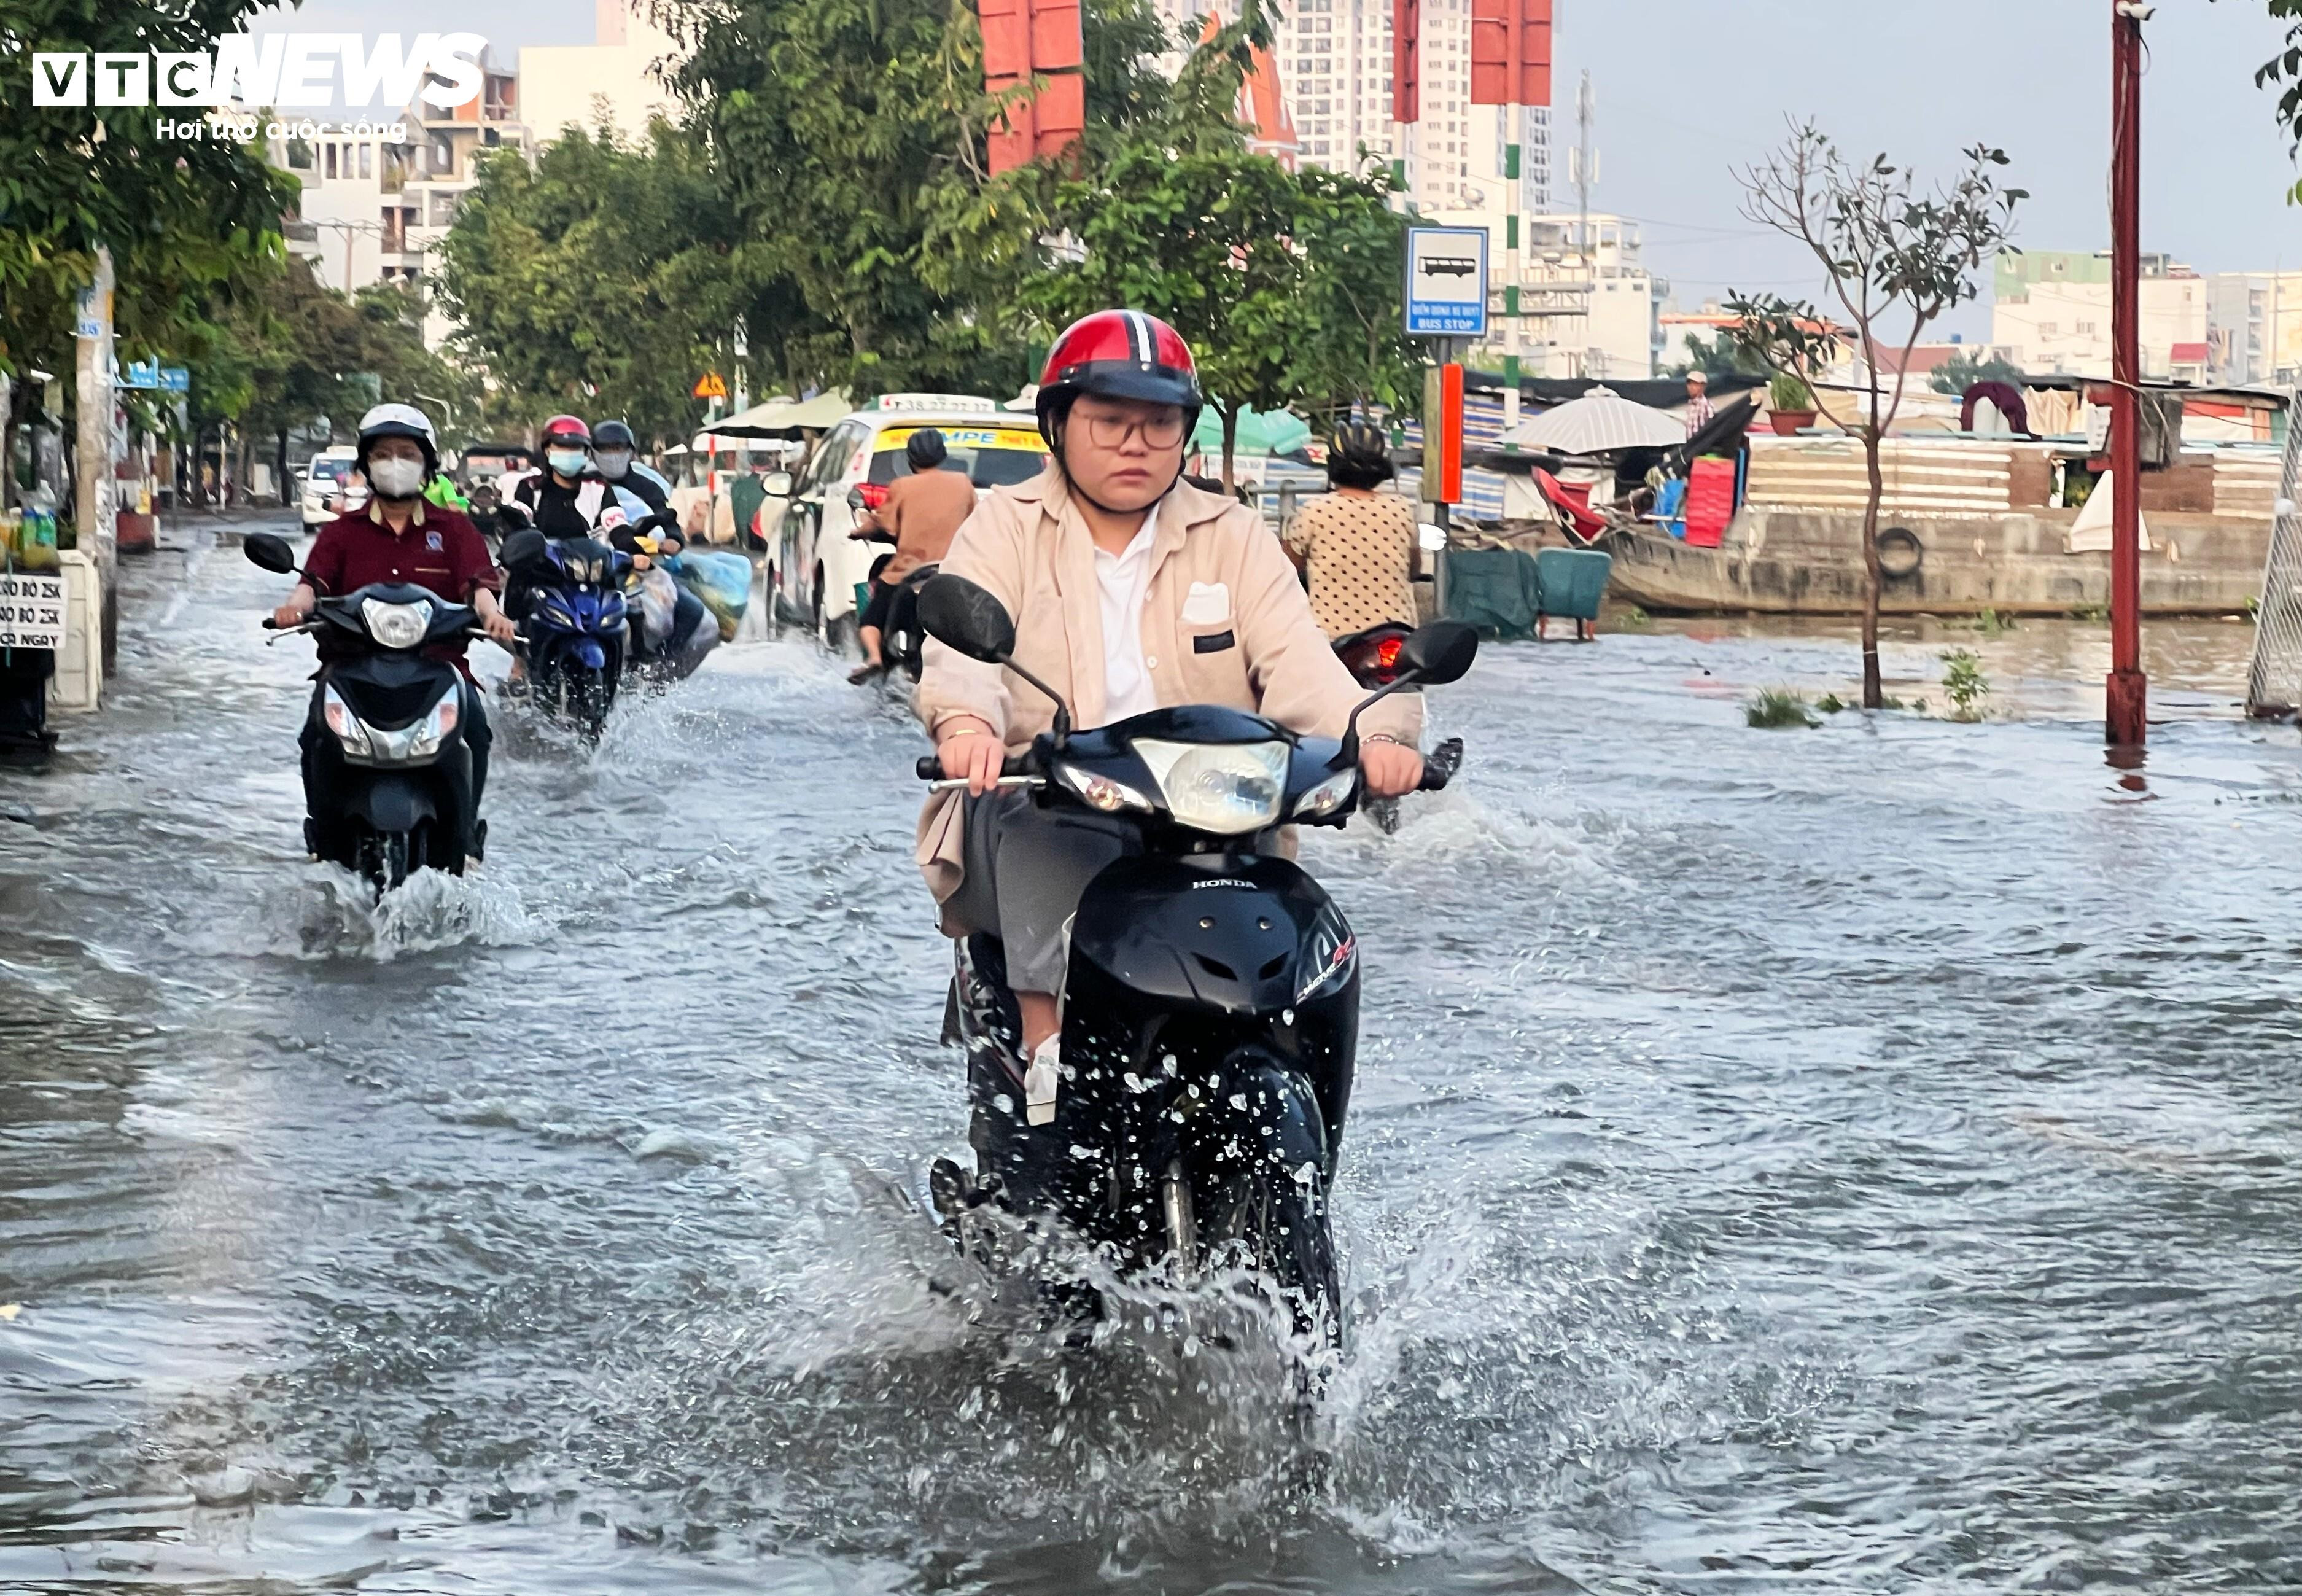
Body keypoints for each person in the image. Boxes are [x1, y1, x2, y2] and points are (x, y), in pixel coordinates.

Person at [916, 309, 1424, 1083]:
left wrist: (1377, 739)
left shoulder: (1234, 533)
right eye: (1110, 420)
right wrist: (965, 723)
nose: (1134, 442)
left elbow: (1302, 662)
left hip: (1209, 804)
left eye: (1158, 424)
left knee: (1295, 922)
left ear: (1184, 432)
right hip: (1054, 792)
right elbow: (963, 652)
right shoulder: (1002, 525)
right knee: (1037, 832)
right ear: (1058, 424)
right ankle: (1048, 1073)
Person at [269, 403, 515, 846]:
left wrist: (492, 613)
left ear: (427, 464)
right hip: (351, 668)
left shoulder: (456, 530)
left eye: (407, 452)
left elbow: (480, 584)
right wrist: (294, 607)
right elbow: (311, 584)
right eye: (383, 454)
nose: (394, 463)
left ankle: (467, 839)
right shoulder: (341, 532)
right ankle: (321, 839)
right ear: (366, 465)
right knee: (315, 738)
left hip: (439, 668)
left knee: (475, 731)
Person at [849, 427, 977, 682]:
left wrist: (859, 531)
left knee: (873, 615)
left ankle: (874, 656)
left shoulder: (902, 486)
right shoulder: (963, 483)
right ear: (942, 456)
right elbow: (975, 520)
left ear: (910, 459)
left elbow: (885, 525)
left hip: (910, 571)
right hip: (954, 571)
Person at [1283, 420, 1418, 640]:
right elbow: (1414, 569)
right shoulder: (1402, 510)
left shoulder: (1314, 512)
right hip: (1396, 635)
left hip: (1332, 639)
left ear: (1333, 465)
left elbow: (1289, 570)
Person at [1684, 368, 1716, 437]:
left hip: (1700, 446)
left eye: (1695, 384)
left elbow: (1712, 429)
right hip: (1691, 445)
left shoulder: (1706, 406)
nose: (1691, 387)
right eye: (1689, 384)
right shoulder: (1691, 406)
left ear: (1703, 386)